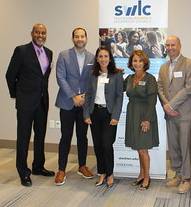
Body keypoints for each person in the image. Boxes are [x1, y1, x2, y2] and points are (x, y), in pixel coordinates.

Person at [6, 23, 55, 187]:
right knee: (24, 138)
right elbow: (10, 75)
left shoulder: (49, 53)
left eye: (43, 33)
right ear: (32, 33)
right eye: (37, 32)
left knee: (40, 136)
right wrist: (17, 95)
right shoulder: (21, 51)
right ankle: (23, 171)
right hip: (26, 103)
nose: (40, 35)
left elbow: (44, 78)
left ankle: (38, 166)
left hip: (42, 102)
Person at [54, 27, 95, 186]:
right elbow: (60, 77)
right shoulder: (64, 55)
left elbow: (93, 79)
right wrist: (73, 96)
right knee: (65, 136)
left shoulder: (92, 57)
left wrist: (84, 96)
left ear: (86, 38)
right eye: (77, 36)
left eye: (82, 36)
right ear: (73, 39)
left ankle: (82, 166)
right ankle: (61, 169)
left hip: (84, 103)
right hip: (67, 102)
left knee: (82, 136)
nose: (79, 39)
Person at [157, 35, 191, 193]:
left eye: (173, 44)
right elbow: (160, 86)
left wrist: (171, 104)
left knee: (184, 146)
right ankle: (178, 174)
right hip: (170, 113)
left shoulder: (189, 64)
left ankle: (187, 178)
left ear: (180, 46)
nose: (170, 48)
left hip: (185, 113)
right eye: (167, 45)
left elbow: (189, 88)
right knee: (173, 146)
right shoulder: (164, 67)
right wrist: (166, 105)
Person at [83, 46, 123, 188]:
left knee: (107, 144)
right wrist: (86, 114)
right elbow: (88, 95)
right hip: (95, 113)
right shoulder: (92, 74)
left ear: (110, 58)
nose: (103, 59)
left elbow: (119, 97)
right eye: (100, 56)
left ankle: (110, 173)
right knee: (98, 145)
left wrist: (116, 115)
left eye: (106, 56)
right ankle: (102, 173)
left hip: (109, 114)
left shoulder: (117, 74)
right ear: (97, 59)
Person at [124, 50, 159, 190]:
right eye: (134, 60)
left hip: (145, 115)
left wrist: (147, 120)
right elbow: (117, 88)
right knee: (138, 148)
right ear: (131, 63)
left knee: (143, 149)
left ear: (145, 62)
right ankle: (141, 174)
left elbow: (153, 100)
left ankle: (147, 177)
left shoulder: (150, 78)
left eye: (140, 60)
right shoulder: (129, 78)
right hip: (132, 114)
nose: (137, 63)